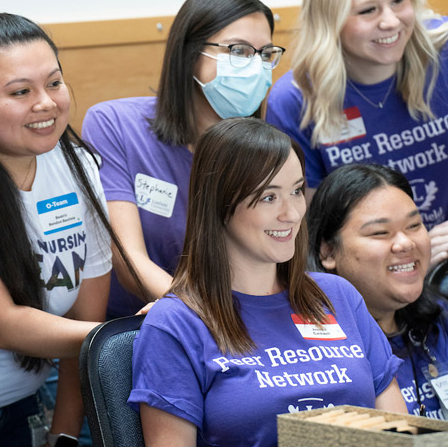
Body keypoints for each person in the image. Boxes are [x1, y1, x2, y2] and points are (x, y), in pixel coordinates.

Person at [128, 118, 407, 447]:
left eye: (296, 191)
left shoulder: (337, 295)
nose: (291, 213)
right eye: (268, 197)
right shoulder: (175, 324)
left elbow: (400, 435)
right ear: (219, 205)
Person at [0, 7, 143, 447]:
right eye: (20, 91)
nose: (46, 103)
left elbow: (83, 327)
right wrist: (136, 332)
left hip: (26, 407)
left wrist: (64, 435)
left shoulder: (77, 164)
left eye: (54, 82)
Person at [82, 0, 285, 318]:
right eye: (239, 51)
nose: (255, 66)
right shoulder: (115, 124)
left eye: (265, 55)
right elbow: (128, 259)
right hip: (145, 329)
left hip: (235, 326)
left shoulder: (265, 147)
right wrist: (197, 317)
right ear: (190, 53)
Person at [266, 0, 448, 267]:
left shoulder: (443, 55)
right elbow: (310, 232)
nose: (391, 21)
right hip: (371, 278)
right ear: (330, 21)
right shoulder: (295, 102)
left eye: (399, 0)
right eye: (368, 11)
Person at [307, 163, 448, 419]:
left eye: (414, 225)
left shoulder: (441, 318)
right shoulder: (319, 355)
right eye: (380, 232)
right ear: (327, 251)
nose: (405, 243)